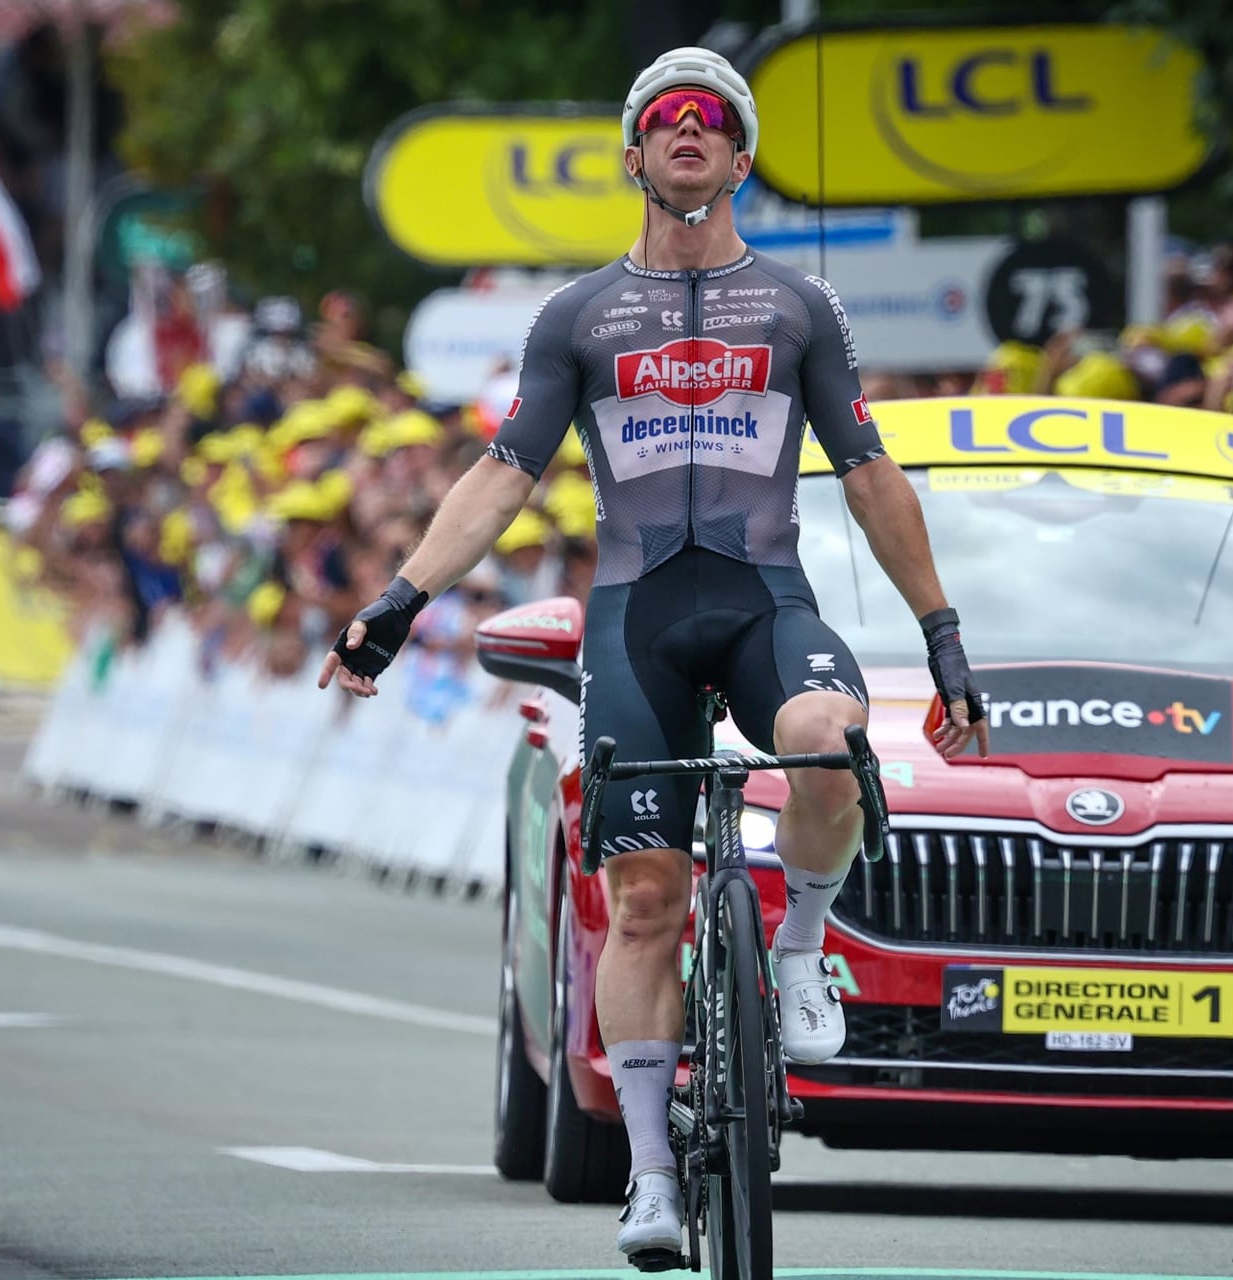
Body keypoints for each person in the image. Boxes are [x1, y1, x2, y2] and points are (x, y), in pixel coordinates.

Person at [316, 46, 988, 1262]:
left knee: (832, 741)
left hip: (764, 600)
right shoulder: (575, 317)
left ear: (740, 159)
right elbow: (499, 476)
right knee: (641, 901)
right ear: (634, 155)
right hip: (636, 618)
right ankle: (653, 1173)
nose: (688, 128)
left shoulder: (798, 309)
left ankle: (795, 954)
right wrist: (403, 597)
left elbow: (874, 475)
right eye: (664, 117)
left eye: (714, 118)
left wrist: (942, 635)